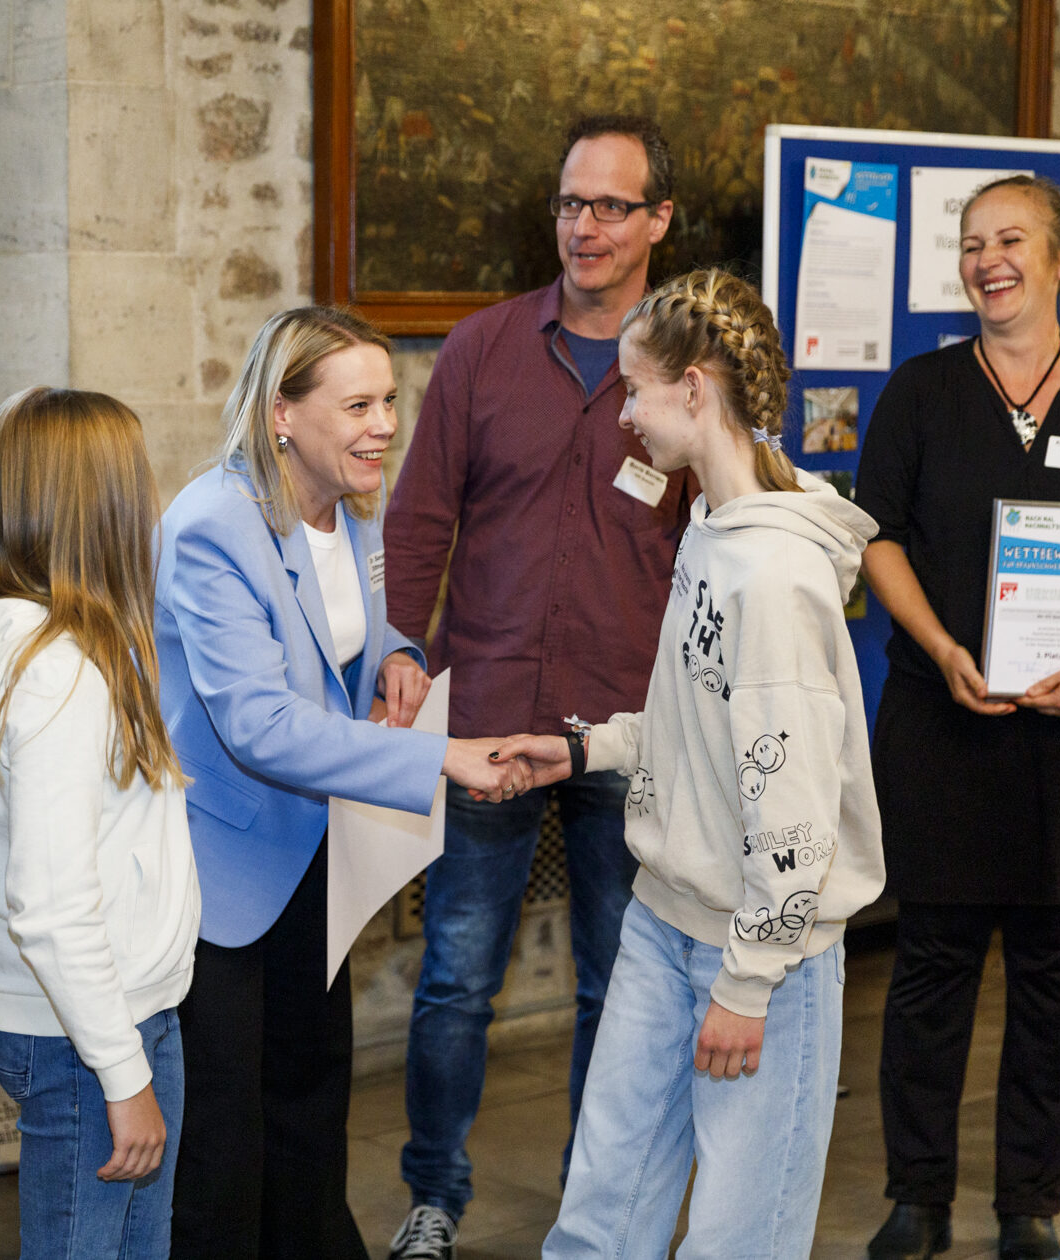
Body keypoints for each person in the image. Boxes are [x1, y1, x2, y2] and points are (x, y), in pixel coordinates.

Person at [491, 269, 884, 1259]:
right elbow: (688, 716)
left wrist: (747, 985)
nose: (626, 416)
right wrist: (585, 748)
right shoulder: (708, 529)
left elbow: (792, 811)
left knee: (736, 1239)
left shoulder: (778, 573)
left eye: (636, 391)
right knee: (599, 1215)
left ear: (697, 390)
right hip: (662, 922)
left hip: (763, 956)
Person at [854, 175, 1060, 1260]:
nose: (987, 259)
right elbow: (880, 539)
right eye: (971, 243)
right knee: (932, 968)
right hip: (948, 721)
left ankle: (1029, 1206)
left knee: (1053, 977)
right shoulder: (921, 391)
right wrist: (944, 649)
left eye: (1010, 240)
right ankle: (918, 1195)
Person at [382, 114, 695, 1259]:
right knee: (457, 980)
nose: (586, 226)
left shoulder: (687, 372)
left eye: (613, 206)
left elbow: (720, 539)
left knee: (622, 989)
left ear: (659, 220)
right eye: (571, 203)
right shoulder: (482, 350)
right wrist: (399, 648)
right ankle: (434, 1196)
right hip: (492, 726)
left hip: (630, 730)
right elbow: (421, 517)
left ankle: (596, 1205)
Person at [158, 306, 530, 1260]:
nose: (384, 426)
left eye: (390, 401)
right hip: (223, 877)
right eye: (358, 404)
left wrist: (400, 654)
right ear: (283, 414)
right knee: (225, 1140)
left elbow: (347, 642)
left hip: (315, 859)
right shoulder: (211, 526)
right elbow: (259, 725)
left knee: (312, 1099)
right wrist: (436, 756)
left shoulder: (352, 511)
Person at [0, 388, 199, 1260]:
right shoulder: (61, 673)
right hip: (87, 1037)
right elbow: (47, 901)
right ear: (103, 507)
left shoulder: (35, 642)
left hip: (113, 1018)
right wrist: (122, 1073)